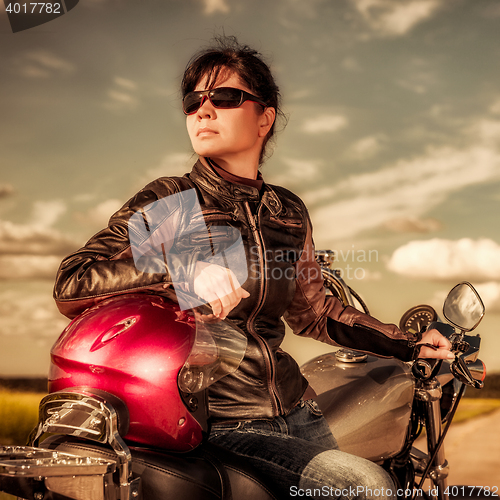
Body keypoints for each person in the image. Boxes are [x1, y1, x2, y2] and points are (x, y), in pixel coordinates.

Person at [53, 36, 454, 499]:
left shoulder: (287, 211)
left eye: (223, 98)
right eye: (193, 101)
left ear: (265, 117)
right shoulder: (173, 203)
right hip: (220, 423)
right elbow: (75, 280)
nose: (203, 110)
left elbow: (316, 311)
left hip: (297, 411)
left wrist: (409, 343)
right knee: (367, 488)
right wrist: (179, 267)